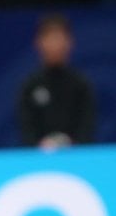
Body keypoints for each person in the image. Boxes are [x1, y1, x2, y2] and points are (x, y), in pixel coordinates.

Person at [17, 13, 97, 149]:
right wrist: (40, 146)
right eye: (49, 38)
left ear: (69, 42)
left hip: (77, 159)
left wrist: (72, 144)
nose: (55, 44)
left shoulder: (81, 85)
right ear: (39, 42)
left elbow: (87, 127)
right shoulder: (30, 86)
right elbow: (27, 129)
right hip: (38, 161)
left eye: (58, 38)